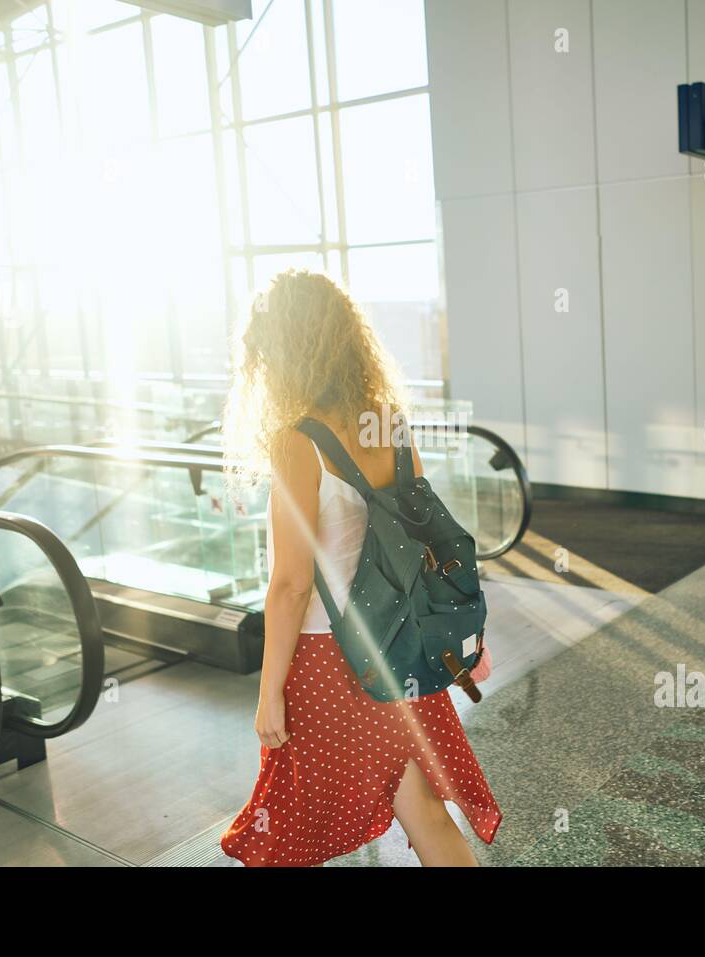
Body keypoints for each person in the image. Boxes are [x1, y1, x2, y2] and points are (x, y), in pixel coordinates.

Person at [219, 269, 502, 867]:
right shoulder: (389, 422)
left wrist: (269, 692)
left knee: (290, 830)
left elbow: (292, 585)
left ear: (279, 351)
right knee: (424, 812)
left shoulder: (299, 442)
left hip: (327, 655)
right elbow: (428, 539)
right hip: (398, 645)